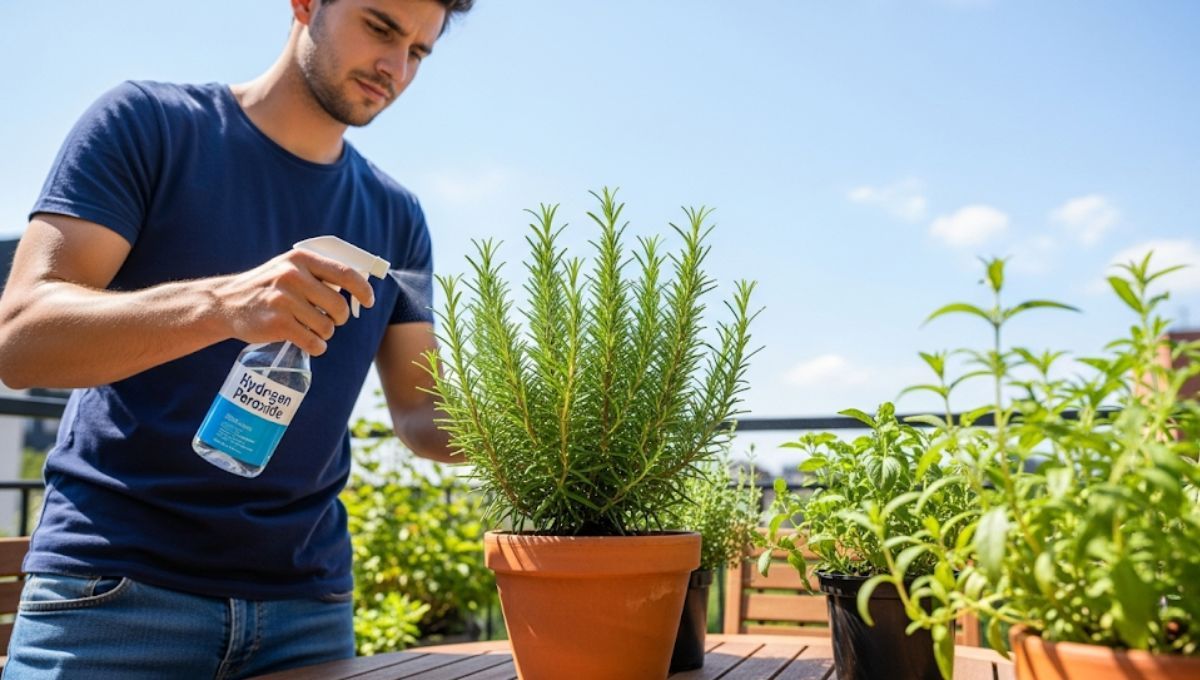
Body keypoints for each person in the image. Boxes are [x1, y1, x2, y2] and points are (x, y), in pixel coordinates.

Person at [0, 0, 473, 677]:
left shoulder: (398, 217)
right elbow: (20, 340)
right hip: (114, 594)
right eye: (381, 28)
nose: (395, 68)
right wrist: (222, 304)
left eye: (420, 52)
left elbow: (423, 414)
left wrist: (554, 427)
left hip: (307, 612)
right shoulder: (146, 124)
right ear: (306, 5)